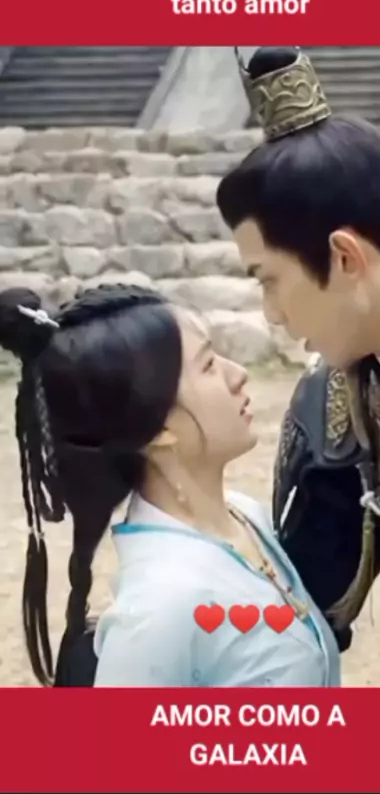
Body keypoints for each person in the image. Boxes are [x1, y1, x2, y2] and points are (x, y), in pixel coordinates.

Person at [216, 45, 380, 659]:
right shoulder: (336, 402)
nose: (272, 313)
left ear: (344, 257)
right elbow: (299, 620)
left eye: (269, 279)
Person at [0, 283, 340, 687]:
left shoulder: (244, 514)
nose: (239, 374)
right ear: (158, 427)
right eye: (208, 365)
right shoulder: (159, 606)